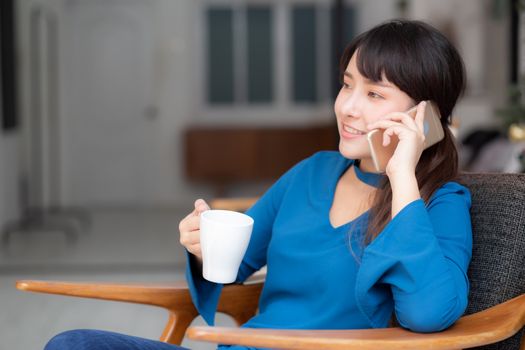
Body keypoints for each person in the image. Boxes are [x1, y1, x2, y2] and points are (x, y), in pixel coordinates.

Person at [44, 19, 472, 350]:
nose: (347, 107)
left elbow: (428, 313)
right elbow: (234, 264)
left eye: (375, 95)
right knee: (74, 344)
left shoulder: (440, 203)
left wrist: (401, 181)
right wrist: (201, 248)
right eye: (346, 85)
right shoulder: (313, 172)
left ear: (425, 117)